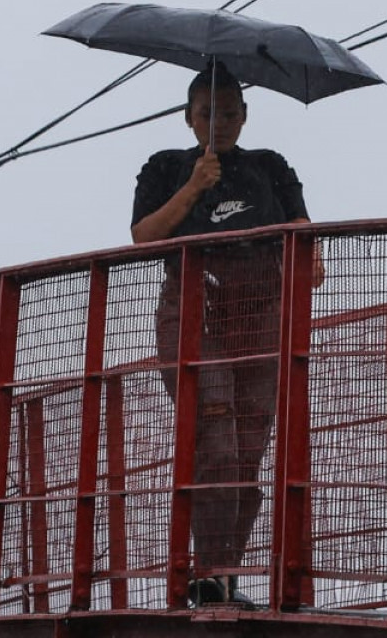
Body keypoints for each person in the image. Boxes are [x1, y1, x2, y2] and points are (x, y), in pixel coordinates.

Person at [131, 66, 309, 608]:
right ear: (189, 118)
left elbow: (308, 246)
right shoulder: (165, 168)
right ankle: (209, 574)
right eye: (209, 114)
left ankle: (223, 571)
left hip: (259, 316)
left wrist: (294, 262)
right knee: (217, 438)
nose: (221, 123)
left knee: (249, 451)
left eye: (230, 112)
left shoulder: (269, 168)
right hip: (192, 315)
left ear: (245, 115)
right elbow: (143, 237)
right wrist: (194, 187)